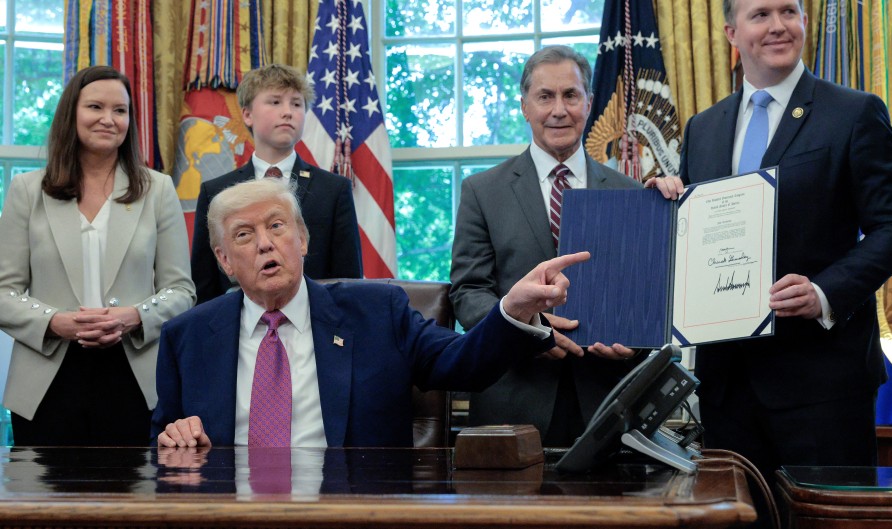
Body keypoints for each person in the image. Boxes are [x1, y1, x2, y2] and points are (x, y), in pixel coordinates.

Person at [678, 0, 892, 481]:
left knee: (828, 515)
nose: (778, 26)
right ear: (731, 33)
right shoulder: (702, 128)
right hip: (726, 388)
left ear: (805, 22)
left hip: (823, 387)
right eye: (760, 15)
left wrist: (824, 292)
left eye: (789, 12)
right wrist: (666, 206)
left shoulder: (854, 112)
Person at [153, 178, 580, 448]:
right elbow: (164, 438)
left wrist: (513, 308)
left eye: (277, 226)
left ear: (302, 240)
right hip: (231, 517)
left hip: (352, 514)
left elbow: (465, 362)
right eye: (244, 235)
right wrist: (173, 437)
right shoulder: (187, 337)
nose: (265, 243)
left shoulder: (377, 313)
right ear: (224, 260)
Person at [449, 44, 680, 446]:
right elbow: (468, 293)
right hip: (514, 401)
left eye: (570, 95)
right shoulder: (482, 192)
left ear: (589, 103)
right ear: (525, 107)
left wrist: (635, 345)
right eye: (545, 96)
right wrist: (526, 331)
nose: (559, 110)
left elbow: (647, 296)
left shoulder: (630, 193)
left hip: (609, 401)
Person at [0, 65, 195, 446]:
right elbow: (4, 292)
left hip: (135, 379)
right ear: (71, 114)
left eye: (120, 110)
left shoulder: (158, 190)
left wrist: (135, 316)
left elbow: (182, 291)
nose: (108, 119)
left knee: (134, 485)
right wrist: (55, 322)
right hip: (45, 381)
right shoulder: (27, 190)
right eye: (95, 107)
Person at [191, 63, 362, 304]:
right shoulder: (216, 192)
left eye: (296, 104)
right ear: (247, 114)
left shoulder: (333, 189)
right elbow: (205, 284)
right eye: (275, 102)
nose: (287, 112)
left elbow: (348, 281)